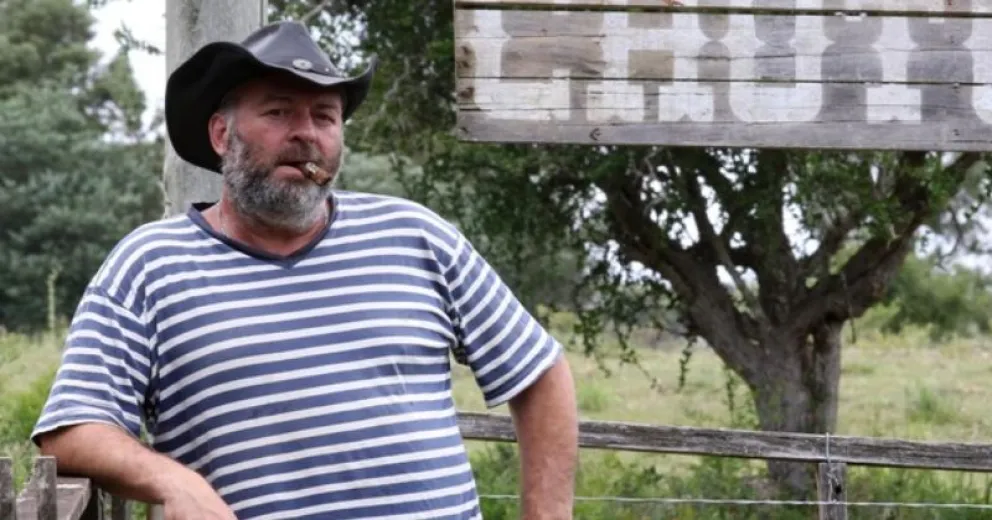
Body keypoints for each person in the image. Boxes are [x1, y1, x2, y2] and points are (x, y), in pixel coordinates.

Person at [30, 20, 578, 520]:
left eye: (324, 116)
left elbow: (541, 373)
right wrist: (171, 480)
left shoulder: (417, 236)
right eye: (278, 112)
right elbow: (72, 428)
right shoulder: (149, 266)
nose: (306, 133)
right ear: (222, 135)